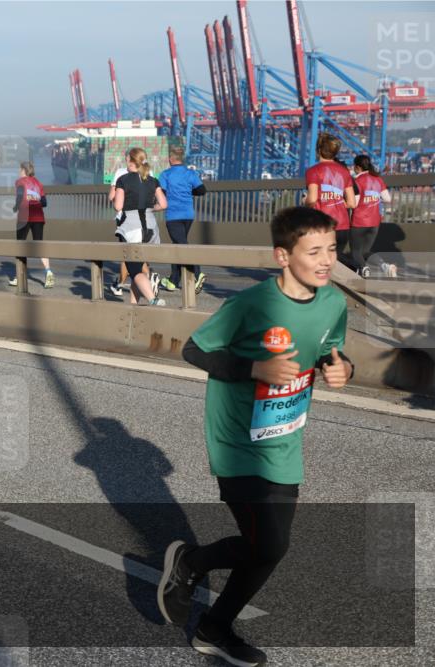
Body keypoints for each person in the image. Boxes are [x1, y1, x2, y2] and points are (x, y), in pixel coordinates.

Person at [158, 206, 353, 666]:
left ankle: (212, 627)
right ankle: (191, 565)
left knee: (268, 550)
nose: (326, 261)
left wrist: (342, 369)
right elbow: (193, 349)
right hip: (237, 442)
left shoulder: (333, 303)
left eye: (332, 249)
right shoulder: (250, 305)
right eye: (314, 252)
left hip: (284, 441)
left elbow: (330, 353)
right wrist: (253, 368)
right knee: (268, 544)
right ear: (283, 256)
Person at [112, 147, 167, 306]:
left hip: (131, 228)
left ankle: (152, 299)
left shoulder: (123, 180)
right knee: (139, 267)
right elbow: (163, 204)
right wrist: (151, 208)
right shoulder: (152, 180)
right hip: (150, 228)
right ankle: (133, 305)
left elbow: (118, 206)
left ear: (130, 160)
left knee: (134, 270)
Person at [158, 146, 207, 293]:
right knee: (177, 245)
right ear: (181, 159)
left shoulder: (165, 174)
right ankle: (173, 280)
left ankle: (198, 273)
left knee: (182, 245)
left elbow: (163, 192)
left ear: (170, 159)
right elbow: (202, 190)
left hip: (173, 215)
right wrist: (187, 191)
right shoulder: (190, 173)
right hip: (188, 214)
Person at [304, 133, 355, 266]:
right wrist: (336, 201)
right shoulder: (344, 172)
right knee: (334, 261)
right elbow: (351, 202)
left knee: (316, 260)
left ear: (319, 150)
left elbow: (312, 199)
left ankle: (357, 268)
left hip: (322, 225)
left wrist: (305, 202)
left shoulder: (313, 171)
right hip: (343, 225)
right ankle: (357, 268)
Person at [8, 161, 53, 288]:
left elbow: (20, 196)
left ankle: (19, 277)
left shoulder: (19, 181)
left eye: (20, 169)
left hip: (24, 216)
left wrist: (16, 207)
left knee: (20, 245)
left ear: (23, 170)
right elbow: (44, 202)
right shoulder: (38, 183)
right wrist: (35, 200)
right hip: (38, 216)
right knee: (39, 245)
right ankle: (48, 272)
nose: (19, 171)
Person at [350, 154, 392, 278]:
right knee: (365, 251)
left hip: (359, 222)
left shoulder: (357, 181)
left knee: (355, 251)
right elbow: (387, 198)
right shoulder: (378, 180)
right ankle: (385, 266)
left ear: (357, 167)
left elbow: (354, 204)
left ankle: (364, 269)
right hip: (374, 222)